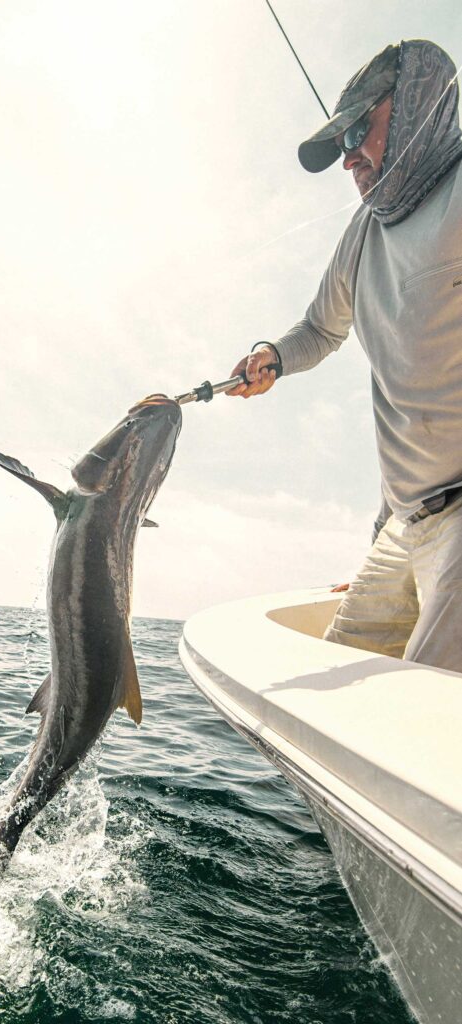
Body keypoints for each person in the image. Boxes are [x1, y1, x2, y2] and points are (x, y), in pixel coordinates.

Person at [226, 39, 462, 673]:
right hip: (407, 526)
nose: (348, 157)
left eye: (360, 128)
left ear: (417, 104)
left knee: (420, 716)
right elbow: (318, 330)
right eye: (340, 143)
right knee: (344, 683)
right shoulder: (362, 235)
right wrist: (273, 354)